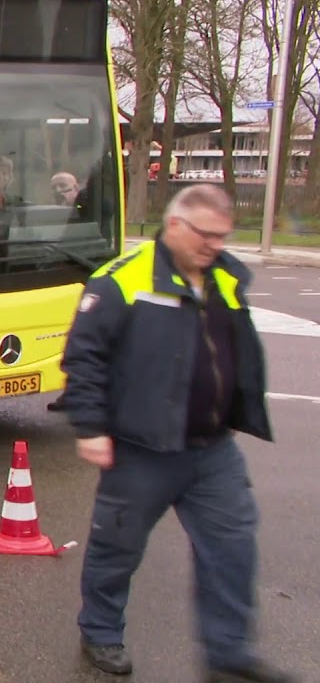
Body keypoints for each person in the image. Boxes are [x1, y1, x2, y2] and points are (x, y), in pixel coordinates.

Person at [60, 184, 295, 683]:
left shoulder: (224, 278)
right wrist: (91, 427)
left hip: (212, 450)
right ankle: (100, 631)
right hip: (140, 450)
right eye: (206, 235)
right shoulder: (123, 280)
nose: (215, 245)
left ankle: (228, 654)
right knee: (116, 549)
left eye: (222, 236)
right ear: (174, 226)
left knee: (232, 546)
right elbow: (84, 357)